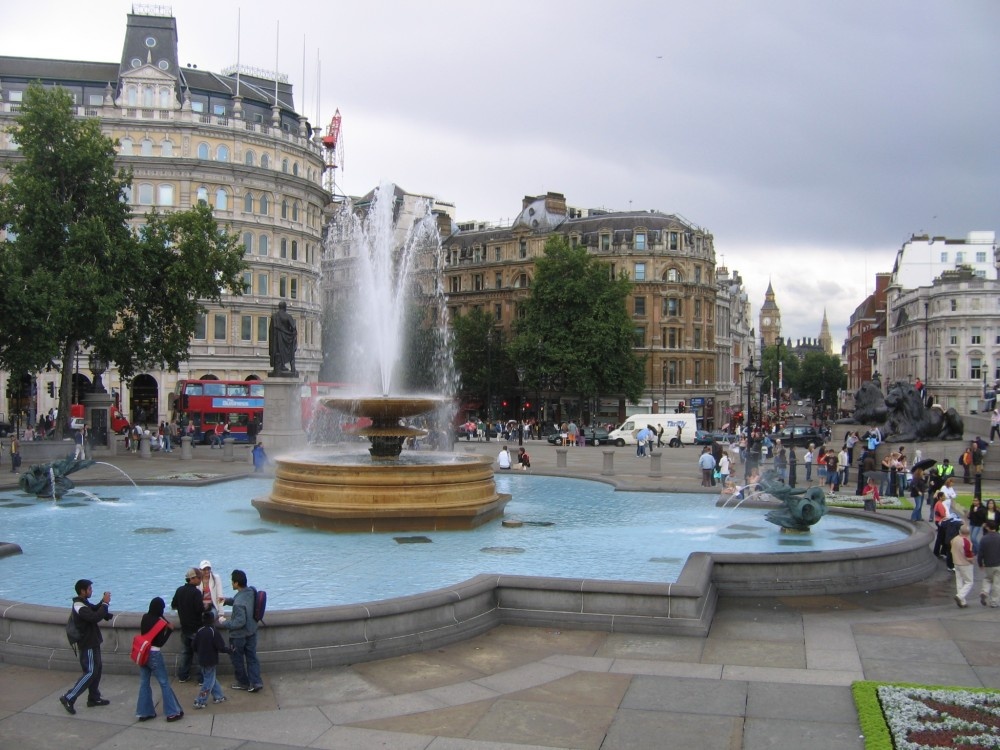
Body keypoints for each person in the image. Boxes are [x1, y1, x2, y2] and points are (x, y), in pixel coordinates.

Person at [59, 579, 113, 715]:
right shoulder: (79, 606)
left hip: (93, 641)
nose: (91, 591)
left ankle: (94, 697)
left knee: (97, 669)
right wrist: (105, 603)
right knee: (90, 672)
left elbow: (94, 609)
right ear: (82, 591)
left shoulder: (83, 603)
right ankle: (69, 698)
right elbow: (94, 617)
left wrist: (102, 604)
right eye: (89, 589)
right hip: (87, 643)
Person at [135, 597, 184, 722]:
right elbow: (160, 642)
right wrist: (168, 631)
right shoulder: (160, 623)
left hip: (143, 652)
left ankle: (144, 712)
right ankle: (172, 712)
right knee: (163, 682)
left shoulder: (145, 617)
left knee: (144, 682)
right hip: (154, 653)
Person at [222, 569, 263, 692]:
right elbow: (242, 601)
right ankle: (256, 681)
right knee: (252, 657)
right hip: (252, 631)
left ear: (236, 583)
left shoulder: (238, 603)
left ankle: (243, 682)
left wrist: (225, 623)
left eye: (232, 582)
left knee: (237, 659)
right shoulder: (251, 591)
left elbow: (239, 622)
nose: (231, 584)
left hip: (239, 636)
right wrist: (226, 600)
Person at [171, 567, 205, 683]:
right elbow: (199, 609)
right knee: (200, 654)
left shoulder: (179, 590)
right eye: (199, 577)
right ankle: (201, 678)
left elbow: (173, 605)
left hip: (185, 627)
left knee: (186, 652)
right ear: (192, 579)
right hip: (196, 628)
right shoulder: (196, 593)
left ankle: (183, 675)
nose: (201, 579)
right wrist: (206, 606)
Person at [193, 610, 228, 708]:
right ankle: (200, 700)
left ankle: (219, 696)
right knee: (208, 682)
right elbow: (221, 647)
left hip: (201, 659)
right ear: (212, 620)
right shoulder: (213, 632)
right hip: (211, 660)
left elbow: (194, 646)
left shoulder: (200, 631)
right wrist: (229, 650)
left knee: (210, 678)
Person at [268, 300, 298, 373]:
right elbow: (294, 328)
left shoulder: (274, 316)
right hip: (286, 339)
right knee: (291, 352)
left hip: (276, 340)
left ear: (279, 307)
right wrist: (292, 337)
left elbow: (270, 330)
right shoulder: (288, 316)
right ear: (285, 308)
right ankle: (292, 368)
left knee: (277, 352)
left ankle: (278, 367)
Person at [951, 524, 976, 607]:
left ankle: (962, 602)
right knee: (969, 582)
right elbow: (969, 556)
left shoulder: (954, 539)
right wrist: (973, 561)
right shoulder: (966, 542)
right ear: (968, 533)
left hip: (956, 562)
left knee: (959, 581)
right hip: (965, 564)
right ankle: (960, 596)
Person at [978, 522, 1000, 607]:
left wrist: (980, 563)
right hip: (998, 564)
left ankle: (984, 592)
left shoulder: (984, 539)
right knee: (996, 583)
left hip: (988, 564)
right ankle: (994, 602)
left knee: (987, 578)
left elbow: (980, 553)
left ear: (988, 528)